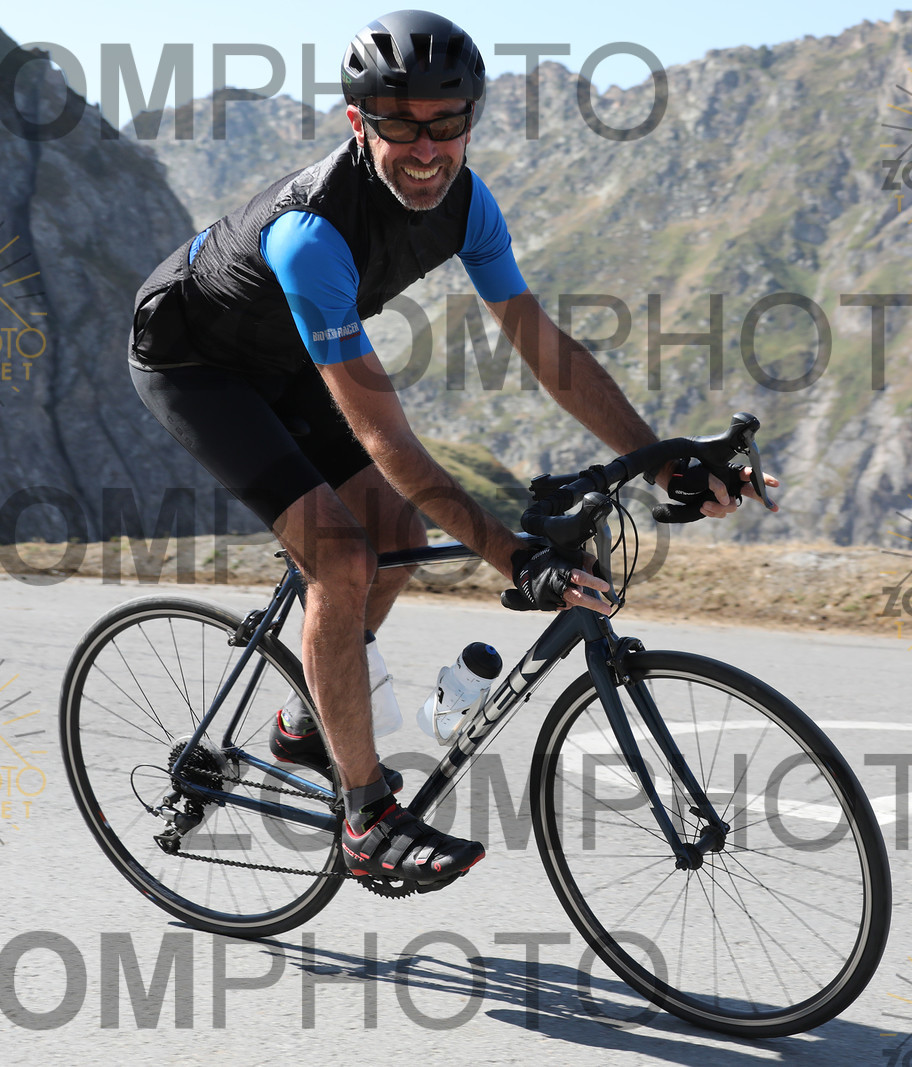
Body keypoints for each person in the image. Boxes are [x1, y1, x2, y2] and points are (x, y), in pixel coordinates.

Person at [127, 9, 775, 890]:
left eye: (448, 123)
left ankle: (305, 722)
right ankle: (365, 819)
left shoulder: (469, 203)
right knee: (341, 556)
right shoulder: (312, 234)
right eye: (400, 125)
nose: (427, 149)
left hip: (285, 356)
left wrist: (663, 456)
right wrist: (513, 556)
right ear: (359, 123)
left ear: (473, 120)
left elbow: (545, 349)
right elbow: (385, 436)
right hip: (195, 363)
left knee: (397, 540)